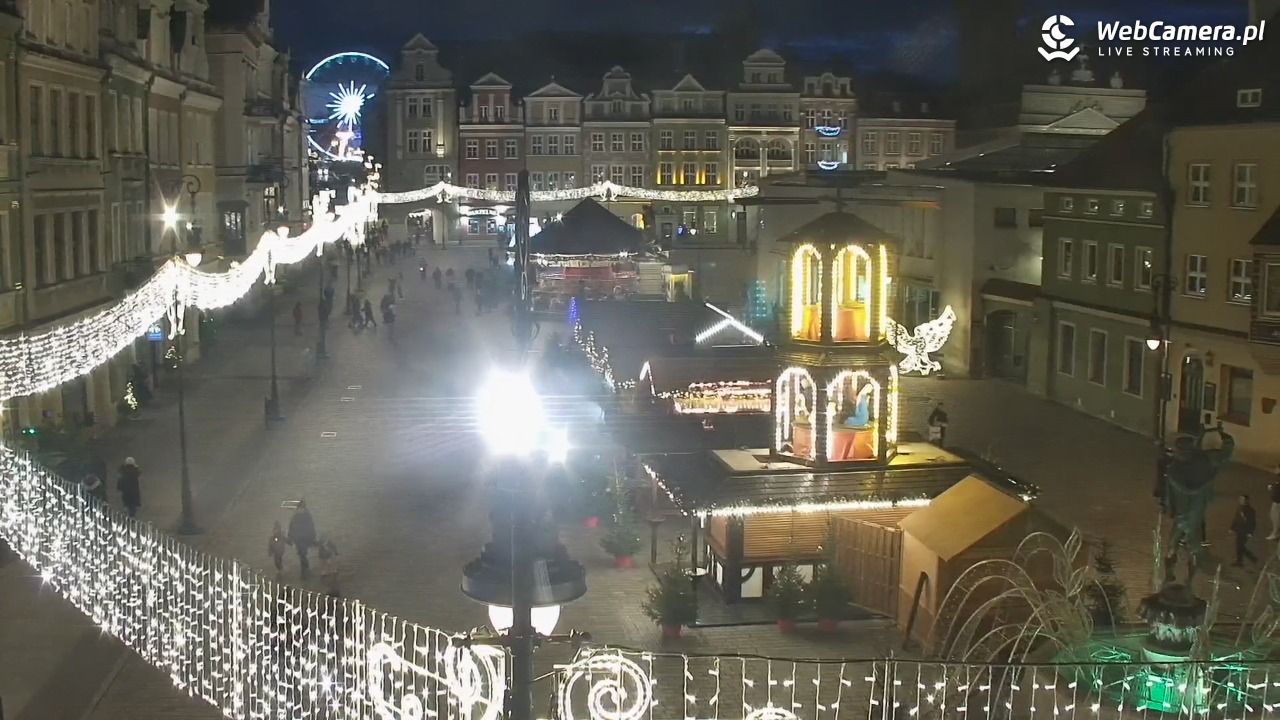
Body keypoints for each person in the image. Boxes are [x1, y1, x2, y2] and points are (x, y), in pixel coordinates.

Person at [287, 501, 318, 579]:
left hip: (305, 538)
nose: (301, 510)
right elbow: (291, 527)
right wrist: (291, 538)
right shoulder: (295, 517)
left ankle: (304, 570)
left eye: (302, 508)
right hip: (298, 539)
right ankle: (305, 569)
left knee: (302, 554)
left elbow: (311, 527)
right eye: (300, 508)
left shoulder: (307, 516)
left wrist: (312, 537)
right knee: (302, 554)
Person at [1233, 494, 1259, 568]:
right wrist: (1232, 528)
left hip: (1245, 532)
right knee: (1239, 546)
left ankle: (1249, 559)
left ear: (1247, 501)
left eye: (1243, 500)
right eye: (1240, 499)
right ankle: (1240, 561)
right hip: (1239, 530)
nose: (1241, 501)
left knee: (1240, 546)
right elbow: (1236, 519)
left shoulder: (1251, 511)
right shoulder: (1239, 508)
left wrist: (1250, 532)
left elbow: (1252, 523)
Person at [1269, 466, 1280, 541]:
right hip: (1276, 501)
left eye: (1277, 468)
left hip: (1277, 502)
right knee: (1273, 515)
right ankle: (1275, 532)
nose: (1275, 469)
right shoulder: (1278, 477)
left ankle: (1275, 533)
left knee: (1274, 516)